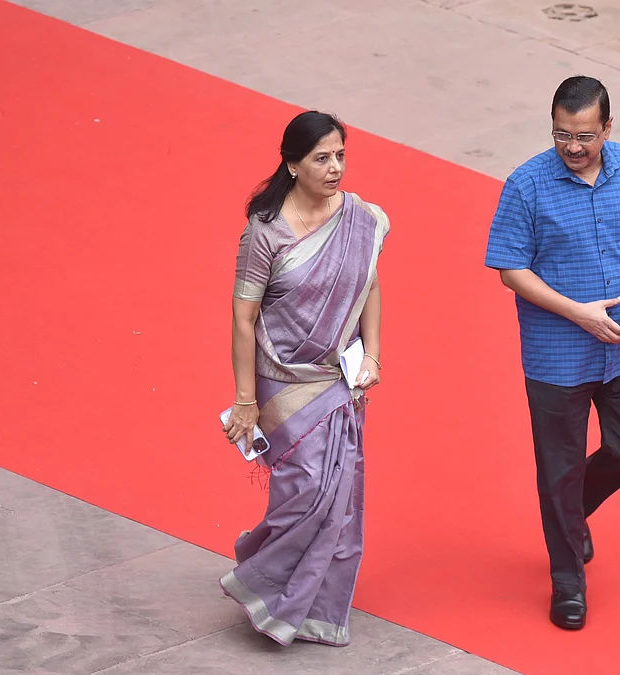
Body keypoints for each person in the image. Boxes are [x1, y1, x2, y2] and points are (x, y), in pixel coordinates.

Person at [484, 76, 620, 630]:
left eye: (585, 136)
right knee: (558, 470)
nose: (573, 147)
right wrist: (577, 312)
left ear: (608, 129)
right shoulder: (526, 185)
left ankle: (571, 514)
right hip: (556, 355)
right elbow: (509, 268)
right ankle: (567, 580)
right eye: (561, 135)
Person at [219, 110, 390, 647]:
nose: (335, 167)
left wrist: (375, 356)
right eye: (321, 158)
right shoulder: (264, 232)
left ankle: (310, 607)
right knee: (307, 489)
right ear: (293, 166)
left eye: (340, 155)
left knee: (338, 491)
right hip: (281, 379)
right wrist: (245, 401)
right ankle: (262, 577)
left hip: (338, 378)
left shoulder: (358, 219)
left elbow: (371, 285)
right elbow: (243, 317)